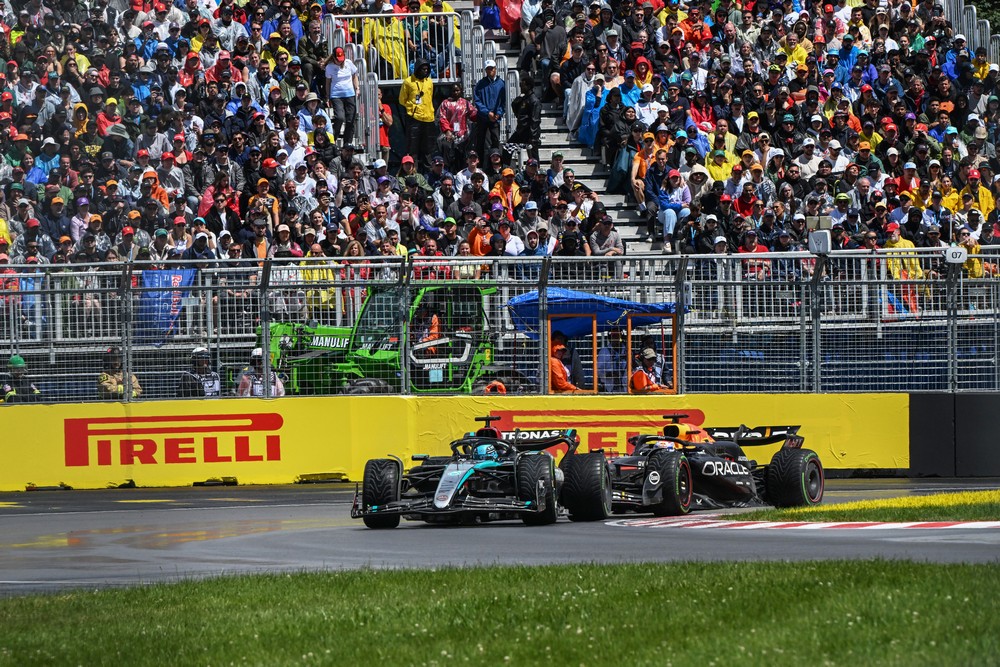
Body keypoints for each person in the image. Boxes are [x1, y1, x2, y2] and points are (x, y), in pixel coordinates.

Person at [597, 329, 628, 393]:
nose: (616, 338)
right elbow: (598, 371)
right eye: (614, 336)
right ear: (609, 337)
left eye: (617, 336)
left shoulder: (627, 351)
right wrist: (610, 374)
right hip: (609, 389)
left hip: (625, 388)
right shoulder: (604, 351)